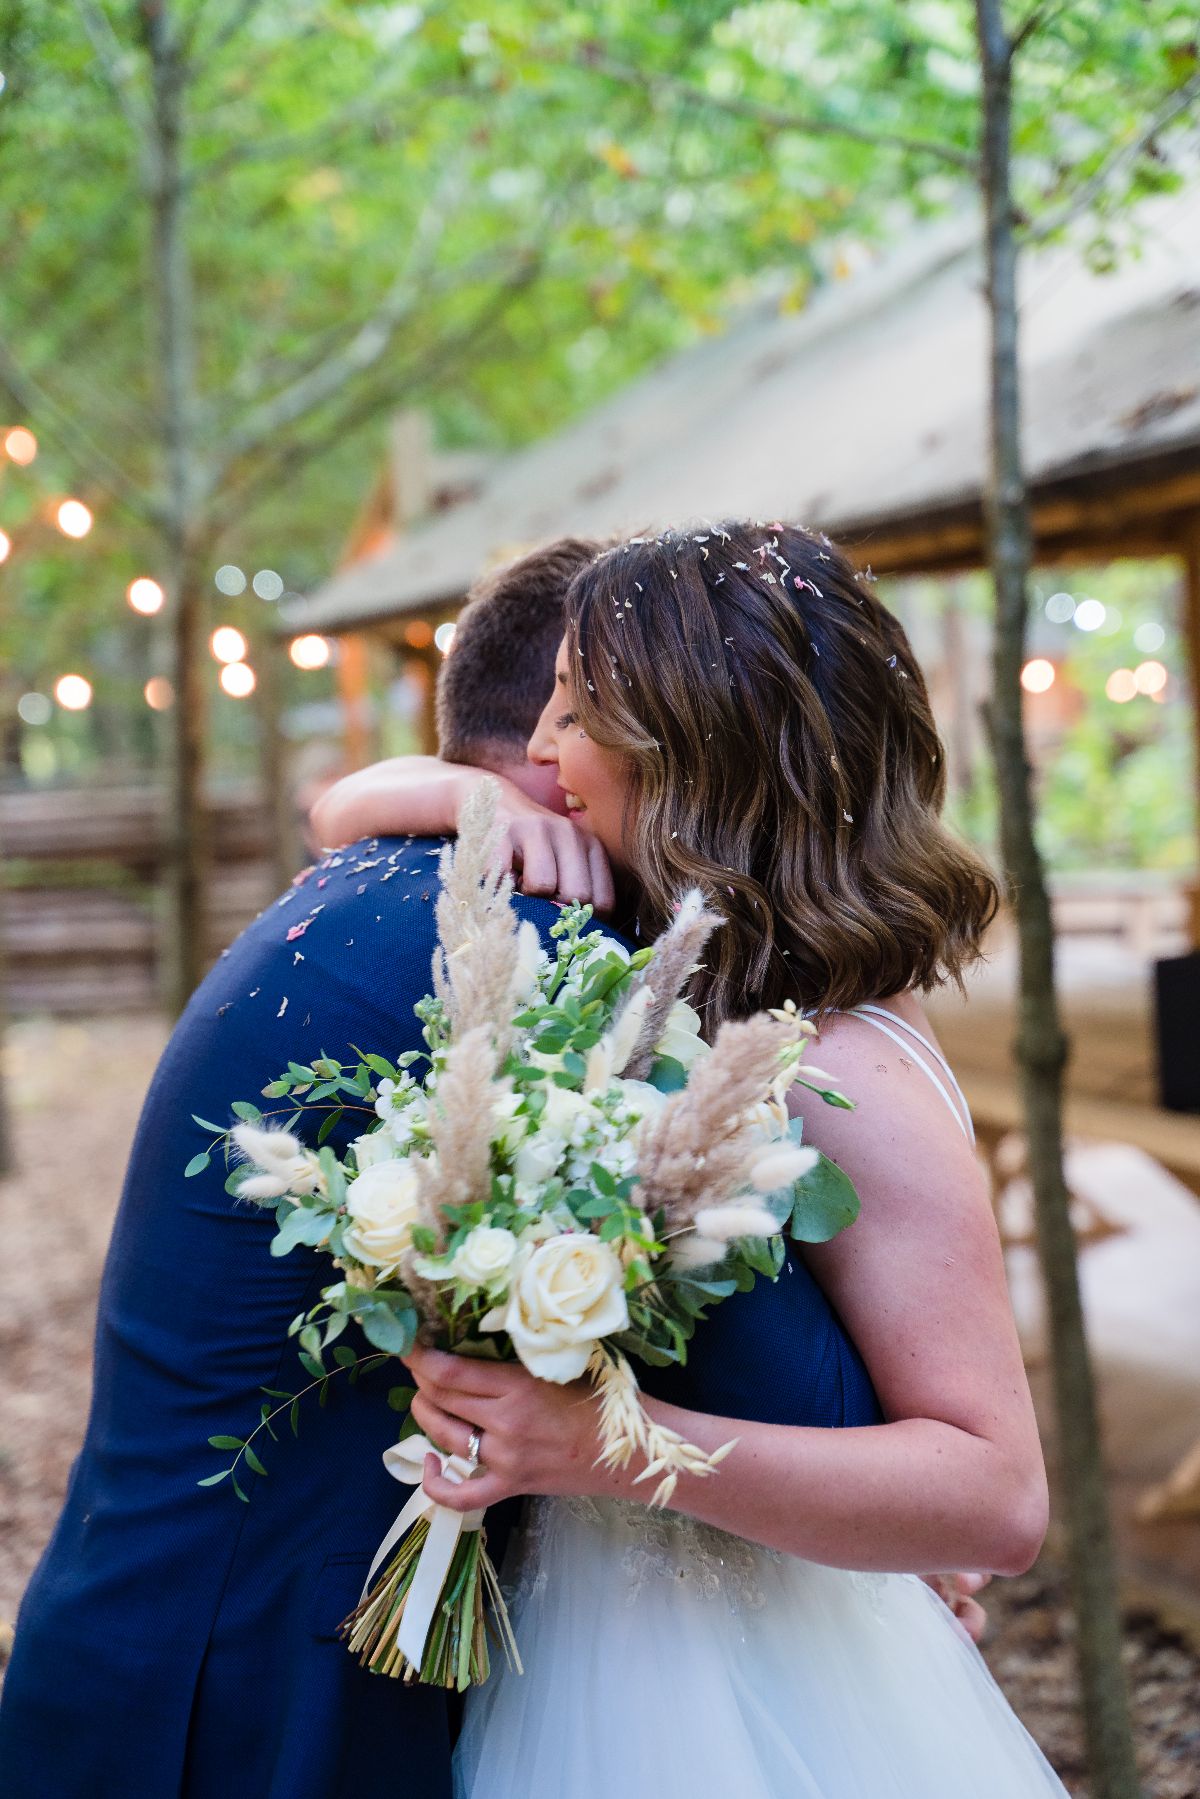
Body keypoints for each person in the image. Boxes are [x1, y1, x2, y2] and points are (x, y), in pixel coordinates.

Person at [316, 522, 1062, 1797]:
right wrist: (466, 802)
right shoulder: (686, 970)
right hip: (591, 1649)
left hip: (748, 1695)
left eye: (571, 711)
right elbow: (335, 808)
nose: (539, 749)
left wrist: (606, 1445)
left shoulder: (845, 1064)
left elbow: (995, 1494)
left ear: (687, 746)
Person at [0, 540, 611, 1799]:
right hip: (251, 1694)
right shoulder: (520, 937)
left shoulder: (361, 876)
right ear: (564, 740)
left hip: (132, 1632)